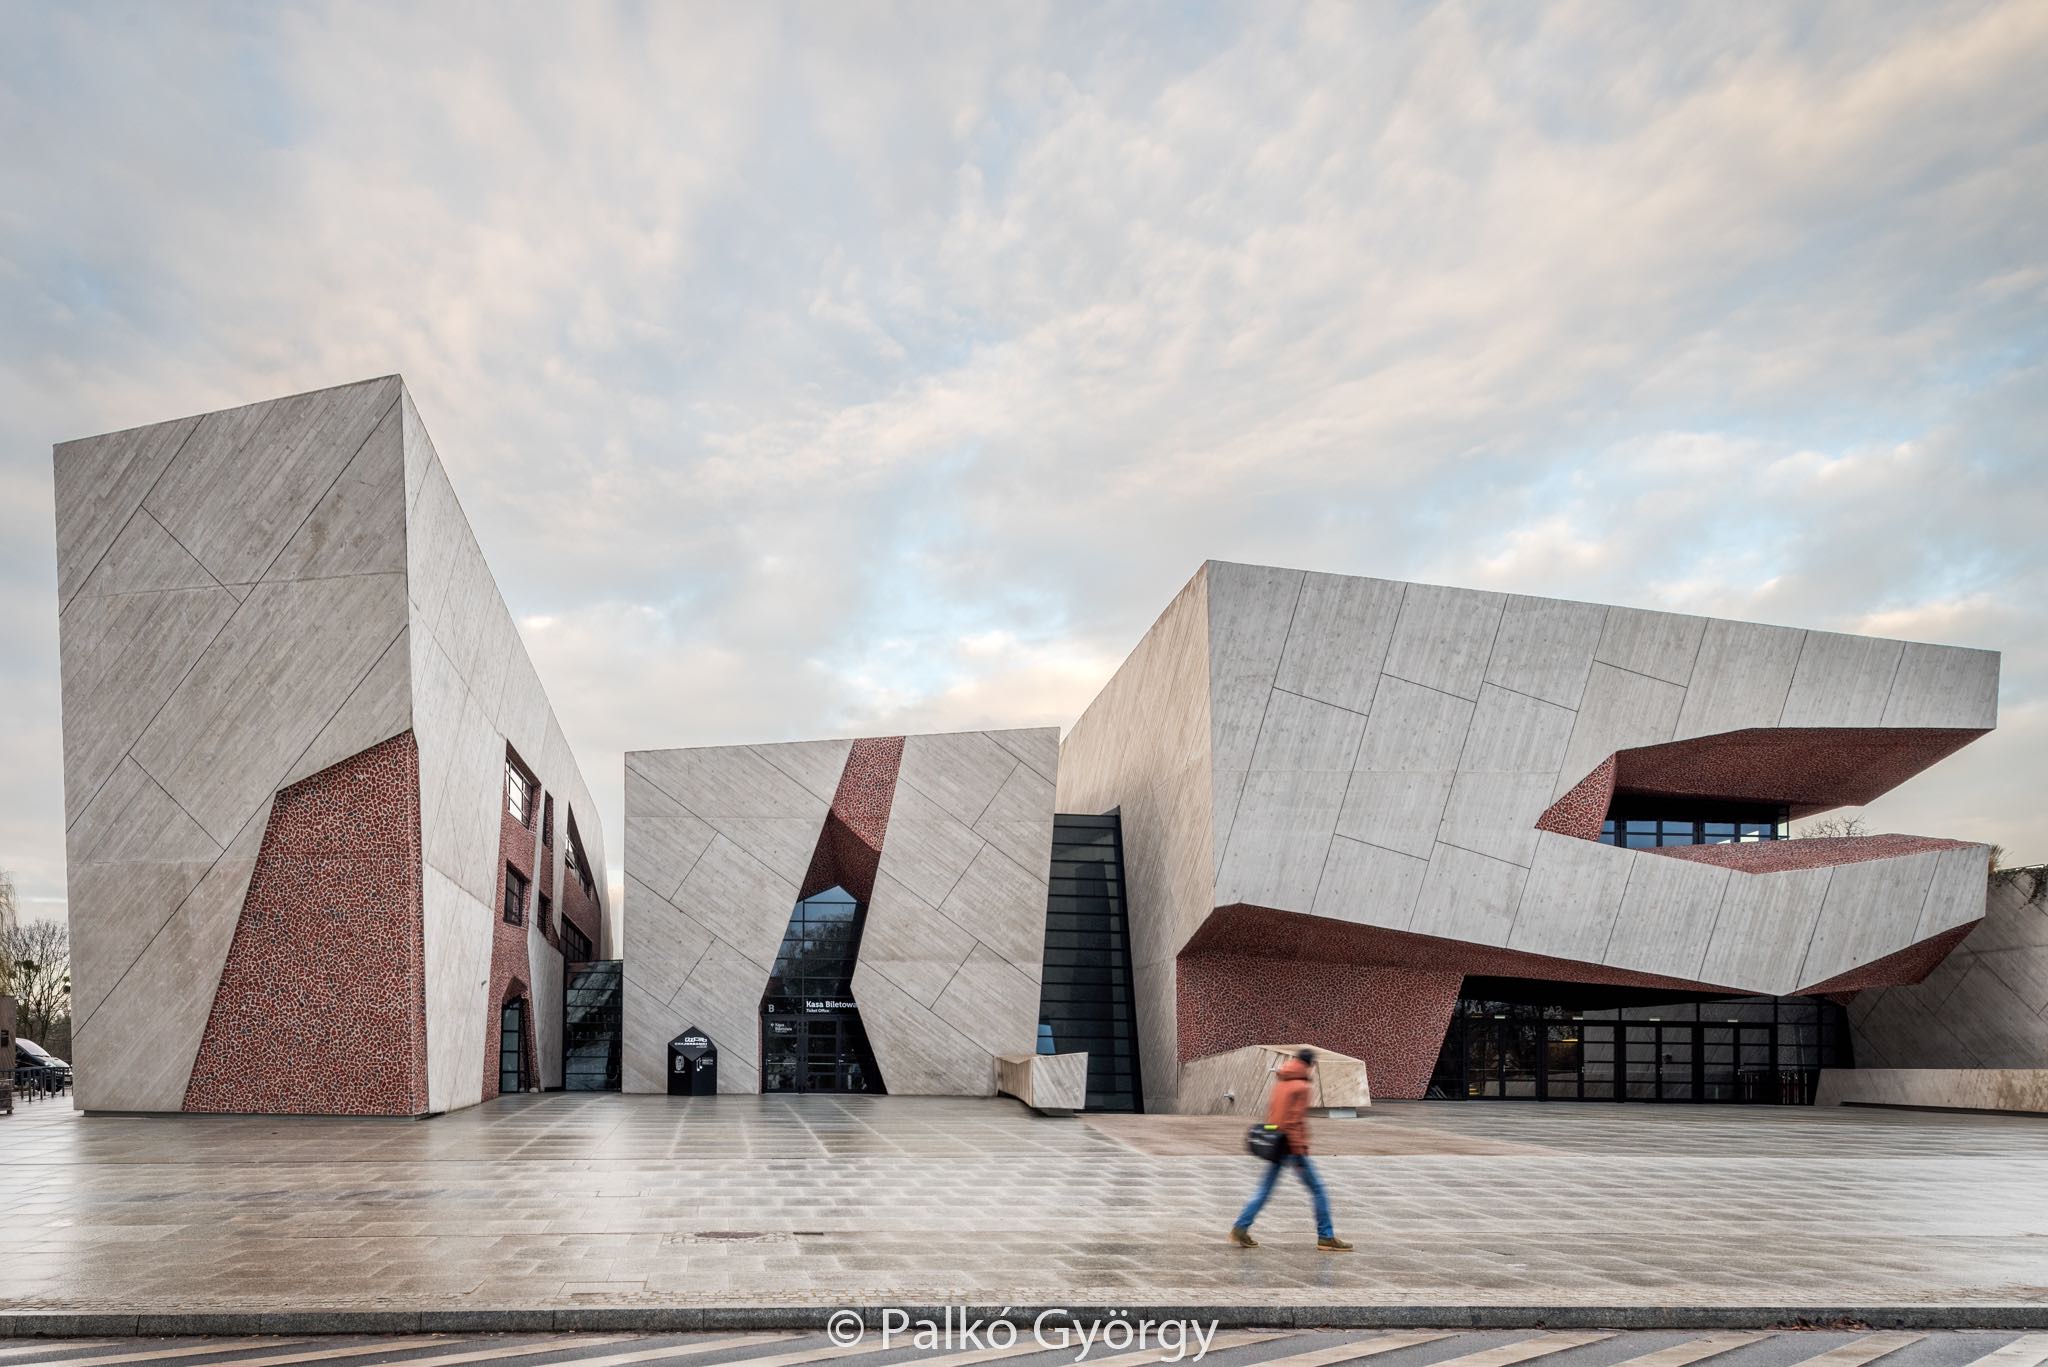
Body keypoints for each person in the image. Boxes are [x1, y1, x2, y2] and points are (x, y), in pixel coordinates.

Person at [1229, 1048, 1352, 1251]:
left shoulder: (1282, 1080)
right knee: (1319, 1190)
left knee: (1265, 1189)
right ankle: (1326, 1236)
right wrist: (1299, 1150)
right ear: (1310, 1065)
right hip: (1291, 1146)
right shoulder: (1301, 1086)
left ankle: (1241, 1227)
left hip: (1277, 1141)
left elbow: (1274, 1112)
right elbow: (1294, 1120)